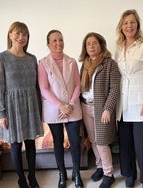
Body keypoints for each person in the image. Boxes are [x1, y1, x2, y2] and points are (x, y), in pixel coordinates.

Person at [0, 21, 43, 188]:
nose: (21, 37)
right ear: (10, 35)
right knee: (15, 144)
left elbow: (37, 87)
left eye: (25, 34)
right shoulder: (1, 58)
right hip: (12, 107)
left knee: (30, 143)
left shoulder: (32, 59)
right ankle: (21, 179)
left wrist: (39, 110)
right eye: (17, 33)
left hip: (30, 105)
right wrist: (1, 114)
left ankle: (32, 177)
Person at [115, 9, 143, 188]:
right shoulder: (118, 47)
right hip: (123, 104)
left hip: (141, 102)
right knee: (125, 143)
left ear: (137, 24)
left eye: (132, 22)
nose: (129, 26)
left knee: (141, 144)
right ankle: (129, 174)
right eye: (125, 23)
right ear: (121, 26)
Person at [38, 30, 83, 188]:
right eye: (54, 40)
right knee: (58, 142)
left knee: (75, 142)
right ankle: (62, 174)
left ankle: (76, 173)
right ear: (48, 44)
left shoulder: (72, 61)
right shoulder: (43, 63)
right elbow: (44, 89)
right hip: (54, 109)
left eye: (61, 39)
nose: (59, 43)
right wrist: (61, 106)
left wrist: (70, 104)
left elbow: (78, 85)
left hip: (73, 108)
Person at [79, 32, 121, 188]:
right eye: (88, 43)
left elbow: (115, 88)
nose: (91, 46)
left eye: (94, 43)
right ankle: (100, 167)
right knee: (93, 140)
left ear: (101, 45)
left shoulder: (110, 63)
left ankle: (109, 174)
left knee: (102, 142)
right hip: (85, 106)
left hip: (101, 108)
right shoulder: (84, 64)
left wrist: (108, 109)